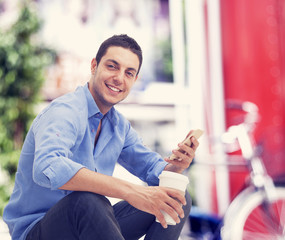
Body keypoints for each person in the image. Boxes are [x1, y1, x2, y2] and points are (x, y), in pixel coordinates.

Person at [3, 34, 199, 240]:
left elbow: (154, 170)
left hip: (87, 226)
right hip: (39, 231)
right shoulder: (65, 111)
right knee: (88, 201)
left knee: (176, 197)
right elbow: (47, 167)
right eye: (112, 66)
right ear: (94, 66)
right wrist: (129, 191)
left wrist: (176, 166)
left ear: (134, 80)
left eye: (129, 73)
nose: (119, 78)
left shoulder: (118, 126)